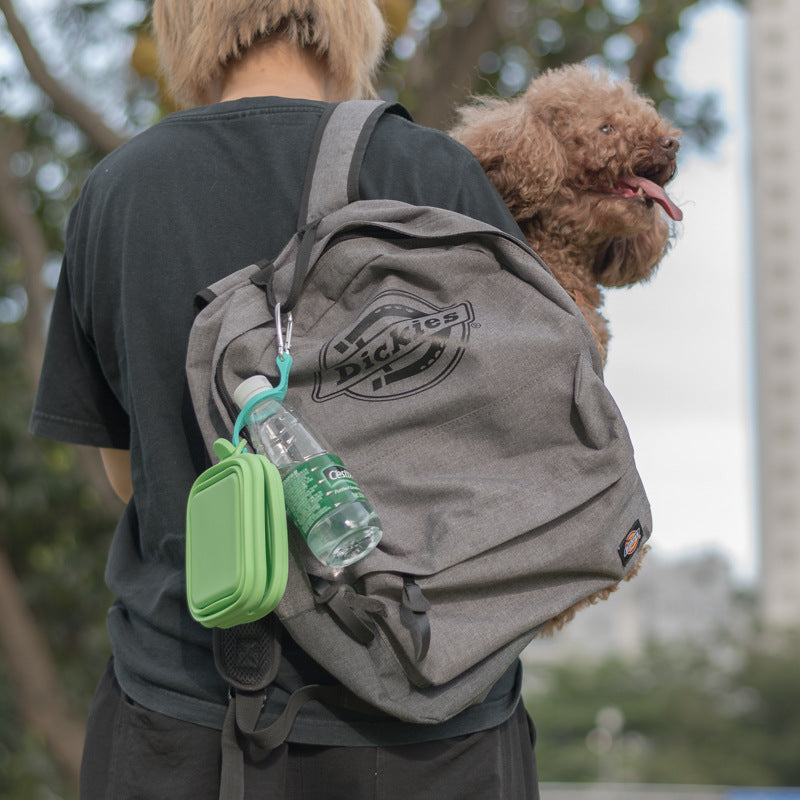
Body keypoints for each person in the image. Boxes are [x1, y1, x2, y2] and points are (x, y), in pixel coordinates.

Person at [30, 2, 540, 797]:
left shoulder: (120, 192)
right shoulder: (434, 174)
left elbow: (134, 477)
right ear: (351, 18)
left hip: (188, 721)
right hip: (434, 729)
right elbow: (521, 440)